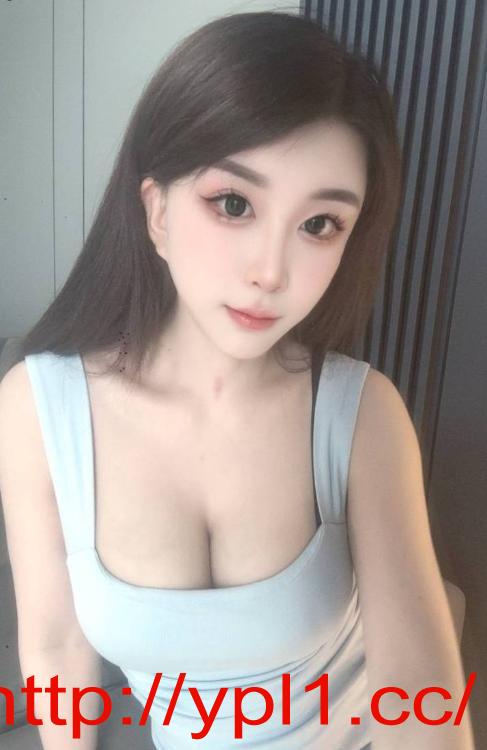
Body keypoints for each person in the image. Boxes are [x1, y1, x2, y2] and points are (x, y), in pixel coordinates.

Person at [0, 10, 475, 750]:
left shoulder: (360, 414)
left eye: (319, 224)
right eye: (233, 204)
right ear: (156, 210)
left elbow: (416, 693)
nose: (271, 272)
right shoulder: (37, 409)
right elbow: (58, 648)